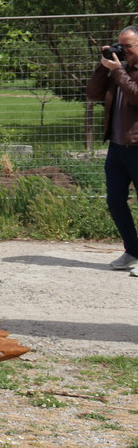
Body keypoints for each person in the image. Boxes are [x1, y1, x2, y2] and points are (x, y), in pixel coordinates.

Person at [86, 25, 138, 276]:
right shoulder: (119, 69)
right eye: (120, 45)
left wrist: (118, 70)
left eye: (128, 46)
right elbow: (93, 93)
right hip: (117, 147)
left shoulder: (123, 71)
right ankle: (133, 251)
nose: (123, 50)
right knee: (115, 201)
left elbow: (136, 97)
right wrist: (104, 65)